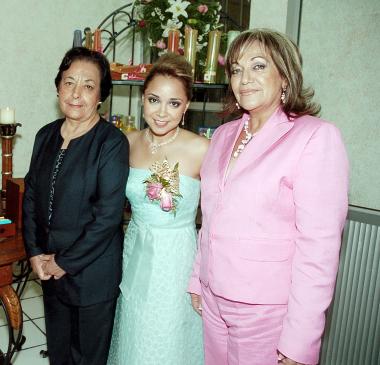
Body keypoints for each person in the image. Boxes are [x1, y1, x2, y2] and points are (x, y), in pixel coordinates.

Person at [188, 28, 349, 365]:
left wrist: (300, 340)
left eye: (258, 66)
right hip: (214, 298)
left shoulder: (315, 138)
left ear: (285, 76)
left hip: (266, 310)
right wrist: (197, 278)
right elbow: (211, 215)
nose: (244, 78)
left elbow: (318, 248)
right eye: (236, 69)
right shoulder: (221, 135)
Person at [23, 47, 129, 365]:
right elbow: (30, 197)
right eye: (70, 82)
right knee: (59, 352)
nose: (76, 93)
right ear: (58, 87)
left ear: (101, 95)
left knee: (87, 357)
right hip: (50, 268)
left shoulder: (111, 143)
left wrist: (64, 262)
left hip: (92, 273)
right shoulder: (45, 135)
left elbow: (108, 216)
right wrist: (34, 252)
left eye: (88, 85)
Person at [107, 53, 209, 365]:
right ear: (142, 100)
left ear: (186, 106)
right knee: (135, 329)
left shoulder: (202, 148)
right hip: (135, 247)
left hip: (177, 258)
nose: (161, 113)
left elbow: (221, 219)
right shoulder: (127, 142)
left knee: (168, 336)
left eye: (173, 103)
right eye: (154, 100)